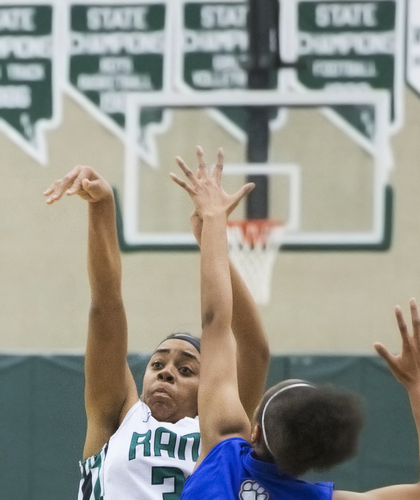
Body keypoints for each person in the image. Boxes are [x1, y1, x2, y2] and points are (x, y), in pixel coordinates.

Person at [170, 145, 420, 500]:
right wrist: (419, 386)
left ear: (254, 432)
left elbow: (215, 320)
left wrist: (214, 224)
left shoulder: (223, 451)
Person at [44, 164, 269, 500]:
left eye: (186, 369)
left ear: (209, 387)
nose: (166, 373)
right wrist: (102, 207)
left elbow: (254, 351)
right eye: (157, 364)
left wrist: (212, 239)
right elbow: (106, 309)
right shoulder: (119, 417)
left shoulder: (219, 433)